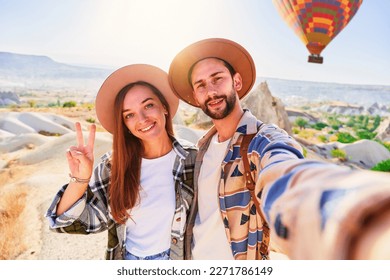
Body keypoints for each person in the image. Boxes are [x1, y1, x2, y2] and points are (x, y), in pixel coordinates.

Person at [168, 38, 390, 260]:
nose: (211, 91)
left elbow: (284, 172)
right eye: (201, 85)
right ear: (196, 97)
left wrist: (349, 210)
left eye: (218, 79)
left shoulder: (262, 141)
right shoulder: (201, 150)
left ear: (236, 82)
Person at [46, 64, 197, 260]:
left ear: (165, 108)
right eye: (129, 115)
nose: (142, 119)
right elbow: (72, 223)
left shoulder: (192, 159)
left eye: (148, 105)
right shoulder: (113, 166)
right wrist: (80, 179)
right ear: (124, 124)